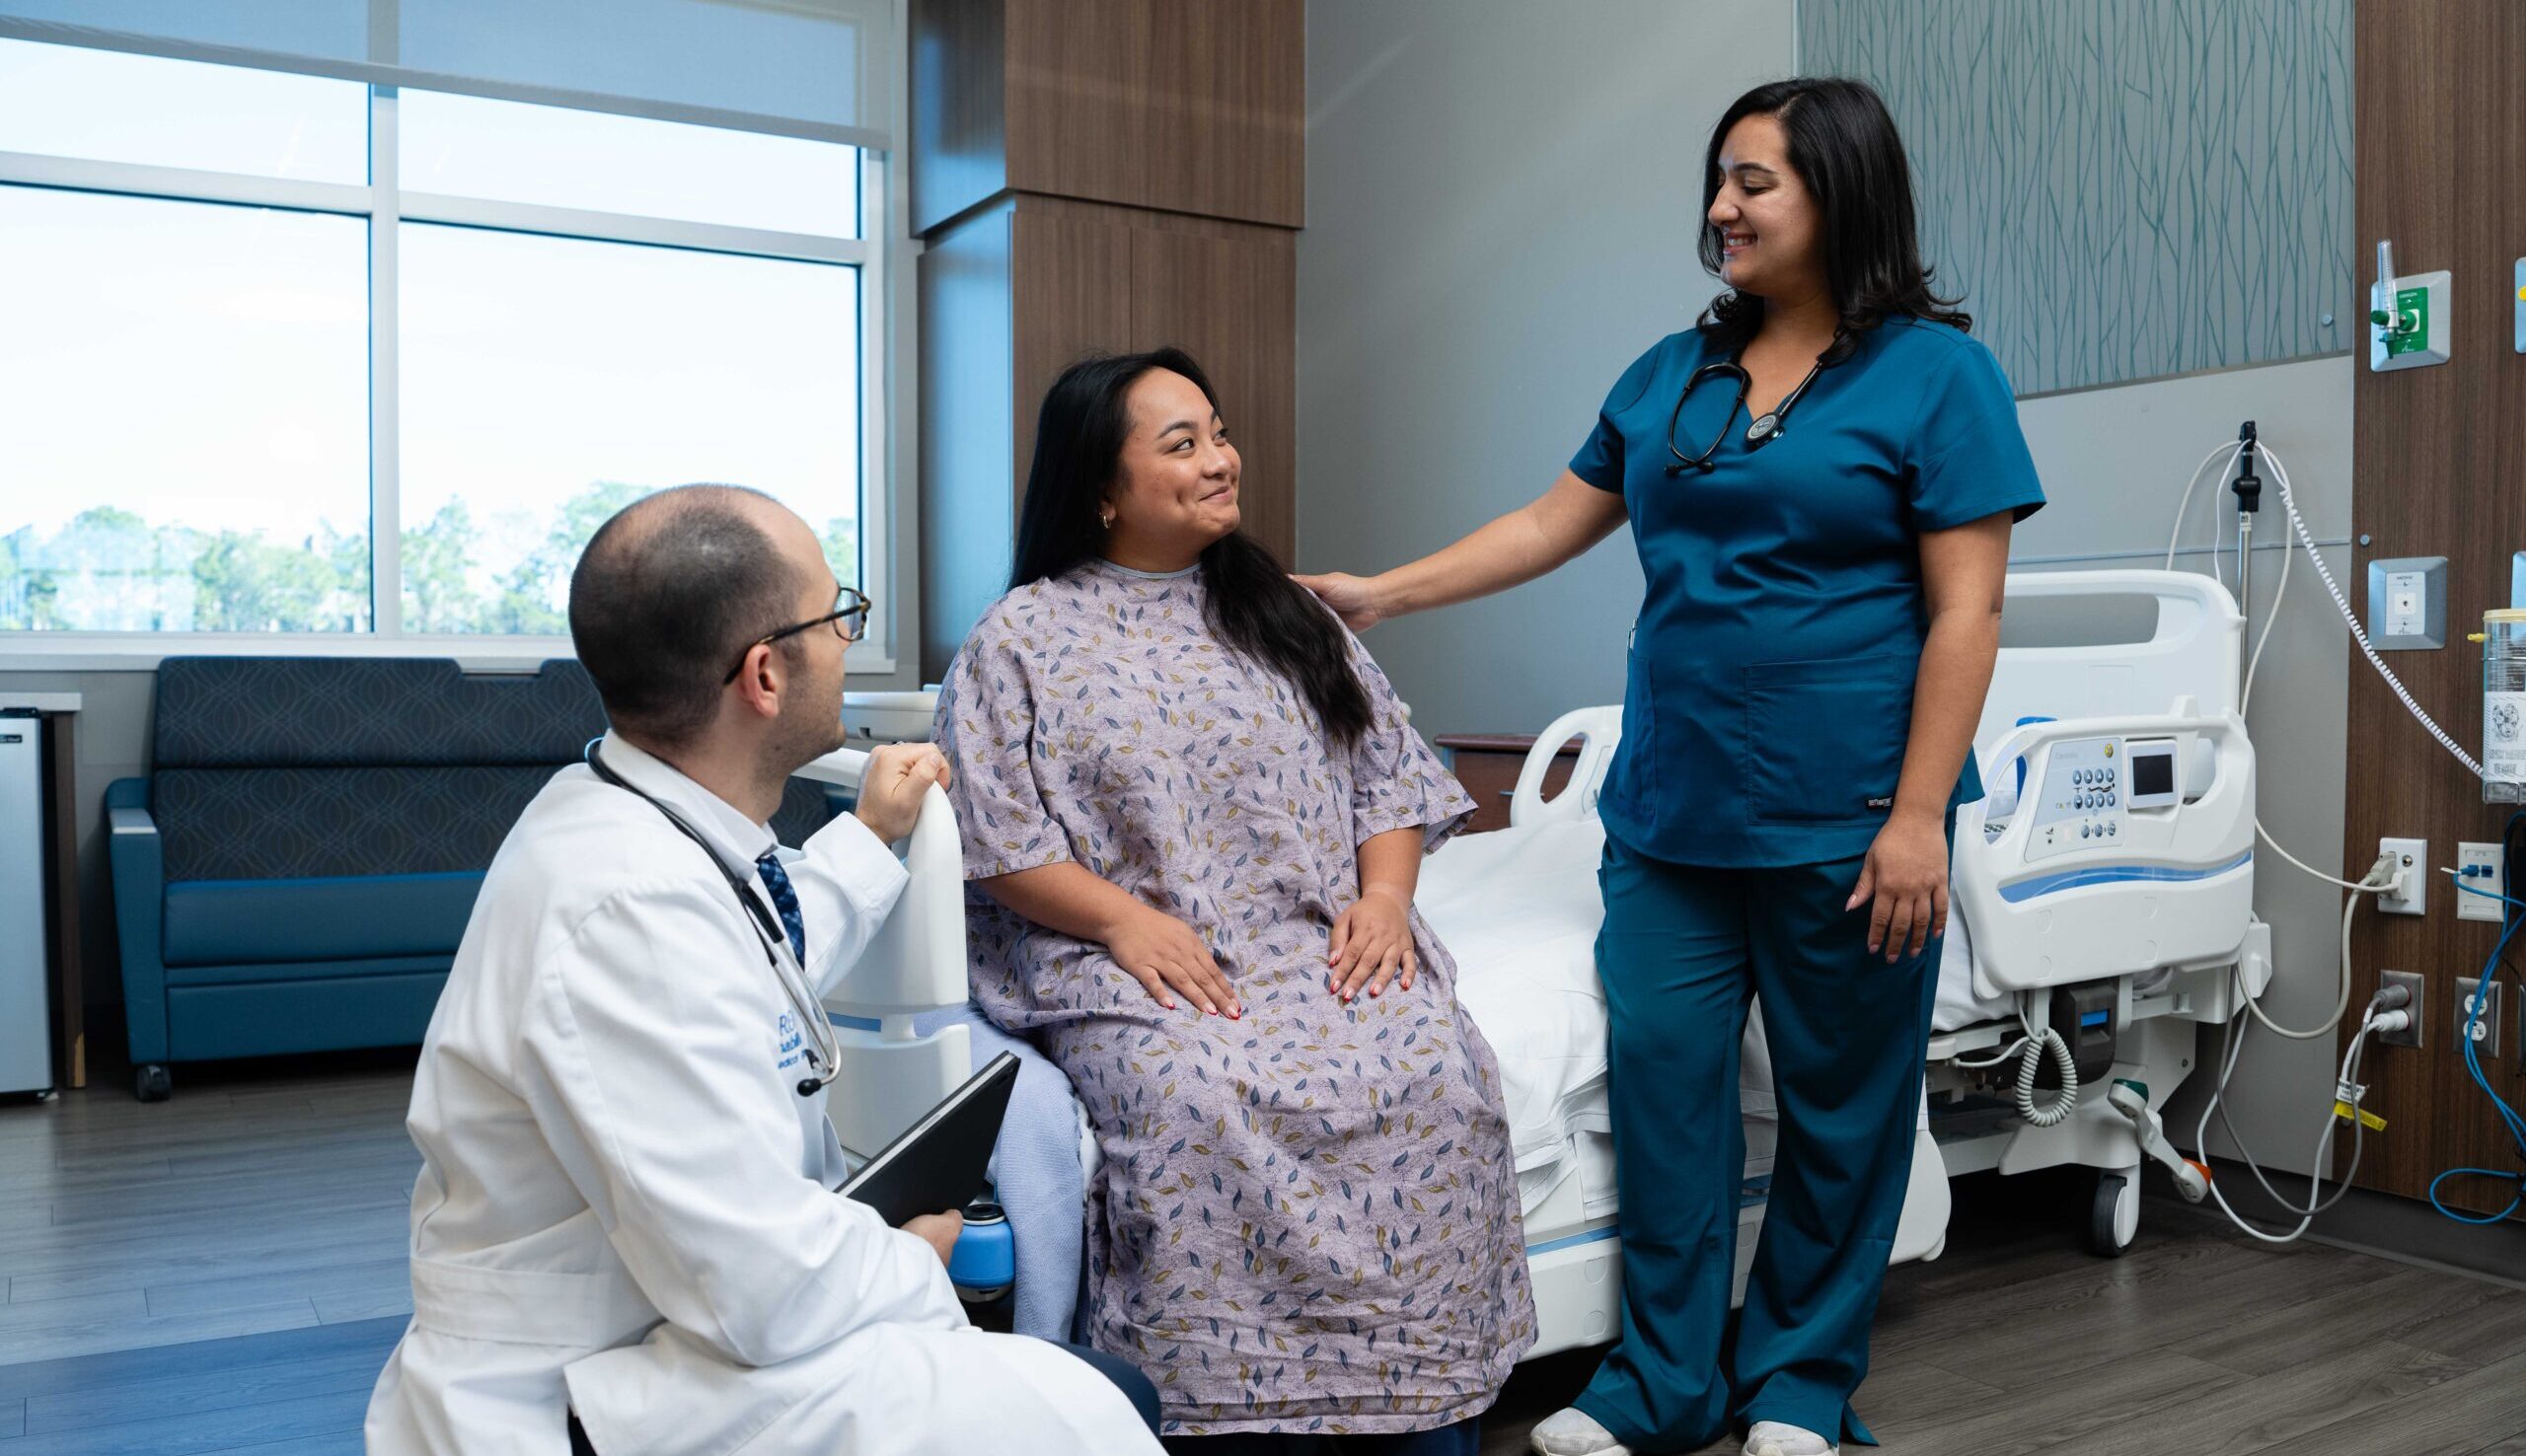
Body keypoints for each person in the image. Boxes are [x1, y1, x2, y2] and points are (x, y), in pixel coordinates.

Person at [1299, 79, 2045, 1456]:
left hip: (1854, 816)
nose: (1721, 207)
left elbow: (1968, 611)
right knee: (1664, 1087)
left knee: (1841, 1109)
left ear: (1840, 191)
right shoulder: (1670, 374)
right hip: (1669, 818)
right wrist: (1382, 593)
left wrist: (1922, 816)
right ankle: (1660, 1381)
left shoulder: (1941, 378)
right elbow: (1545, 522)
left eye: (1754, 181)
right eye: (1719, 181)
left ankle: (1802, 1386)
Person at [364, 484, 1165, 1456]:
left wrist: (873, 836)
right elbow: (762, 1295)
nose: (846, 641)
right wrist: (913, 1257)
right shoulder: (626, 906)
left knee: (1079, 1399)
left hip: (682, 1321)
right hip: (594, 1386)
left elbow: (755, 944)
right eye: (839, 618)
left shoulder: (629, 813)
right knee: (1099, 1411)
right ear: (764, 676)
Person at [932, 349, 1536, 1452]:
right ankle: (1222, 1418)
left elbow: (1384, 781)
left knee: (1433, 1069)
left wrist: (1388, 897)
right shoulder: (1020, 638)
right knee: (1194, 1094)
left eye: (1217, 432)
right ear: (1100, 488)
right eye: (1183, 444)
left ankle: (1422, 1403)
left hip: (1312, 939)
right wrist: (1120, 919)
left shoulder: (1292, 615)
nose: (1222, 459)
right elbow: (997, 841)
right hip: (1119, 953)